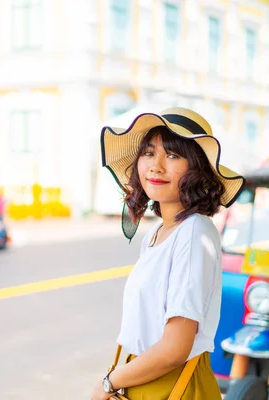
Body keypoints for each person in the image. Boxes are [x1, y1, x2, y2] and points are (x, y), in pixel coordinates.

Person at [91, 107, 245, 400]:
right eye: (149, 153)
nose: (156, 166)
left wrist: (108, 383)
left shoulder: (194, 231)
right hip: (141, 376)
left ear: (197, 169)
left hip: (171, 384)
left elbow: (175, 348)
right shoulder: (157, 233)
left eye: (173, 155)